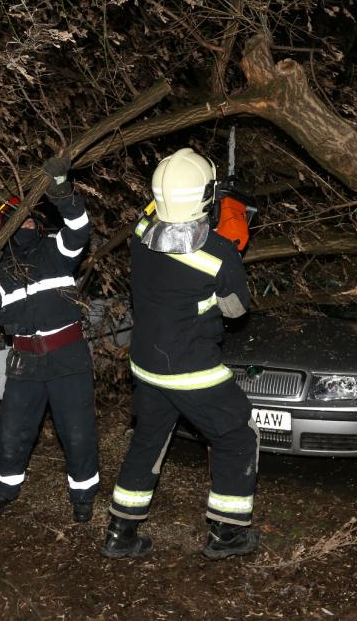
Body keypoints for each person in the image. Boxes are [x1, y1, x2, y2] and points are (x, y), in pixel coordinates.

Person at [101, 147, 260, 560]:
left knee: (149, 440)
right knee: (238, 435)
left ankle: (121, 532)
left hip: (147, 366)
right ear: (205, 196)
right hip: (192, 370)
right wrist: (234, 232)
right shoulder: (217, 254)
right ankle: (228, 534)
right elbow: (237, 310)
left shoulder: (138, 237)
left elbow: (154, 212)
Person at [0, 155, 100, 523]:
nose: (26, 223)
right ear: (5, 228)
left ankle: (82, 496)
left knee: (77, 432)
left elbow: (79, 228)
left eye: (29, 217)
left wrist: (62, 192)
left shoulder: (55, 250)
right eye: (17, 219)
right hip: (24, 363)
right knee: (12, 433)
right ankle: (4, 491)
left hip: (67, 359)